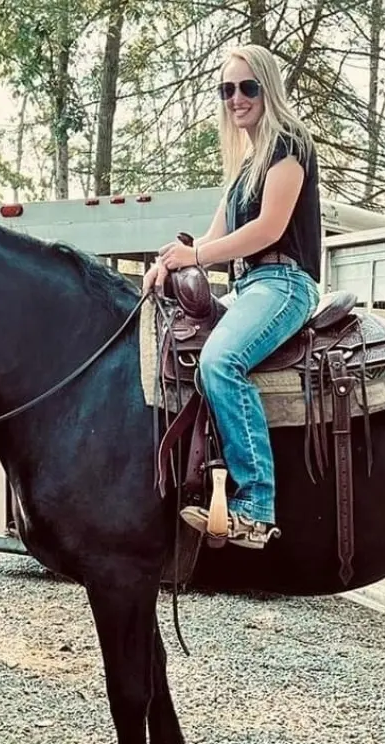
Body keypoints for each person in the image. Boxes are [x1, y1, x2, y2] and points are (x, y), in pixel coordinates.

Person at [144, 44, 322, 549]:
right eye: (227, 90)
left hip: (285, 284)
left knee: (220, 362)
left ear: (268, 89)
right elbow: (210, 240)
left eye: (247, 87)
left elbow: (268, 230)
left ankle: (255, 505)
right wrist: (170, 260)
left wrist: (195, 258)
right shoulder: (245, 168)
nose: (236, 99)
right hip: (248, 288)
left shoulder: (290, 145)